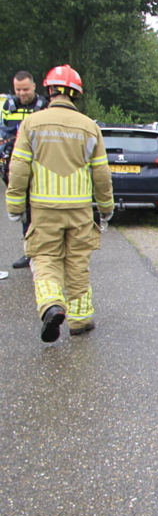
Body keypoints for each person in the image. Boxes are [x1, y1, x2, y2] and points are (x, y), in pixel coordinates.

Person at [5, 65, 113, 342]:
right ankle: (80, 320)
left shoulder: (32, 123)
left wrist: (15, 206)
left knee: (45, 258)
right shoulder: (90, 127)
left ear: (49, 90)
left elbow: (19, 167)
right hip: (79, 211)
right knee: (77, 263)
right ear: (76, 94)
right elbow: (101, 173)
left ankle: (52, 305)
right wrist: (106, 208)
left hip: (44, 210)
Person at [1, 71, 48, 269]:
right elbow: (3, 132)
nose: (21, 93)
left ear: (34, 86)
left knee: (42, 210)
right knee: (24, 211)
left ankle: (46, 252)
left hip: (39, 166)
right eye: (18, 89)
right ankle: (29, 252)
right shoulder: (8, 106)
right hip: (15, 165)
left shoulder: (44, 106)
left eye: (25, 89)